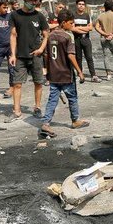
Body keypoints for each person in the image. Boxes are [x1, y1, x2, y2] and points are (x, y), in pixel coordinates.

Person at [39, 9, 90, 137]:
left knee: (52, 99)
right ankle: (75, 120)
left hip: (54, 74)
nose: (72, 26)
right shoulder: (68, 37)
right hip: (66, 75)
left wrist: (48, 71)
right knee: (72, 98)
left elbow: (46, 55)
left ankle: (46, 123)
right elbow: (71, 56)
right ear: (63, 23)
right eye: (71, 23)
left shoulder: (50, 36)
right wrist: (80, 72)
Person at [7, 0, 49, 122]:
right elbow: (13, 35)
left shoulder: (39, 16)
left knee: (38, 82)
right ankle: (17, 111)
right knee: (17, 84)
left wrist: (41, 49)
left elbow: (46, 35)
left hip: (36, 56)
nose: (33, 2)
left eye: (34, 0)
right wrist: (13, 55)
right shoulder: (15, 15)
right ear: (24, 0)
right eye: (30, 0)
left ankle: (37, 107)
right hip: (20, 56)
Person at [72, 0, 101, 83]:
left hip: (86, 40)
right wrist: (84, 28)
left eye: (83, 4)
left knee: (89, 58)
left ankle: (93, 76)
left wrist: (79, 28)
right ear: (76, 5)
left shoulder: (87, 16)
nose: (81, 6)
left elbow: (90, 28)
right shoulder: (73, 16)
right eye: (79, 4)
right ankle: (79, 75)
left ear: (85, 6)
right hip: (77, 40)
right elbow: (72, 28)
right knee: (78, 58)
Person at [96, 0, 113, 80]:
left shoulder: (100, 16)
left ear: (104, 7)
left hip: (104, 39)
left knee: (106, 56)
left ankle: (108, 74)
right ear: (112, 7)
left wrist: (104, 34)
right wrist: (112, 33)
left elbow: (96, 27)